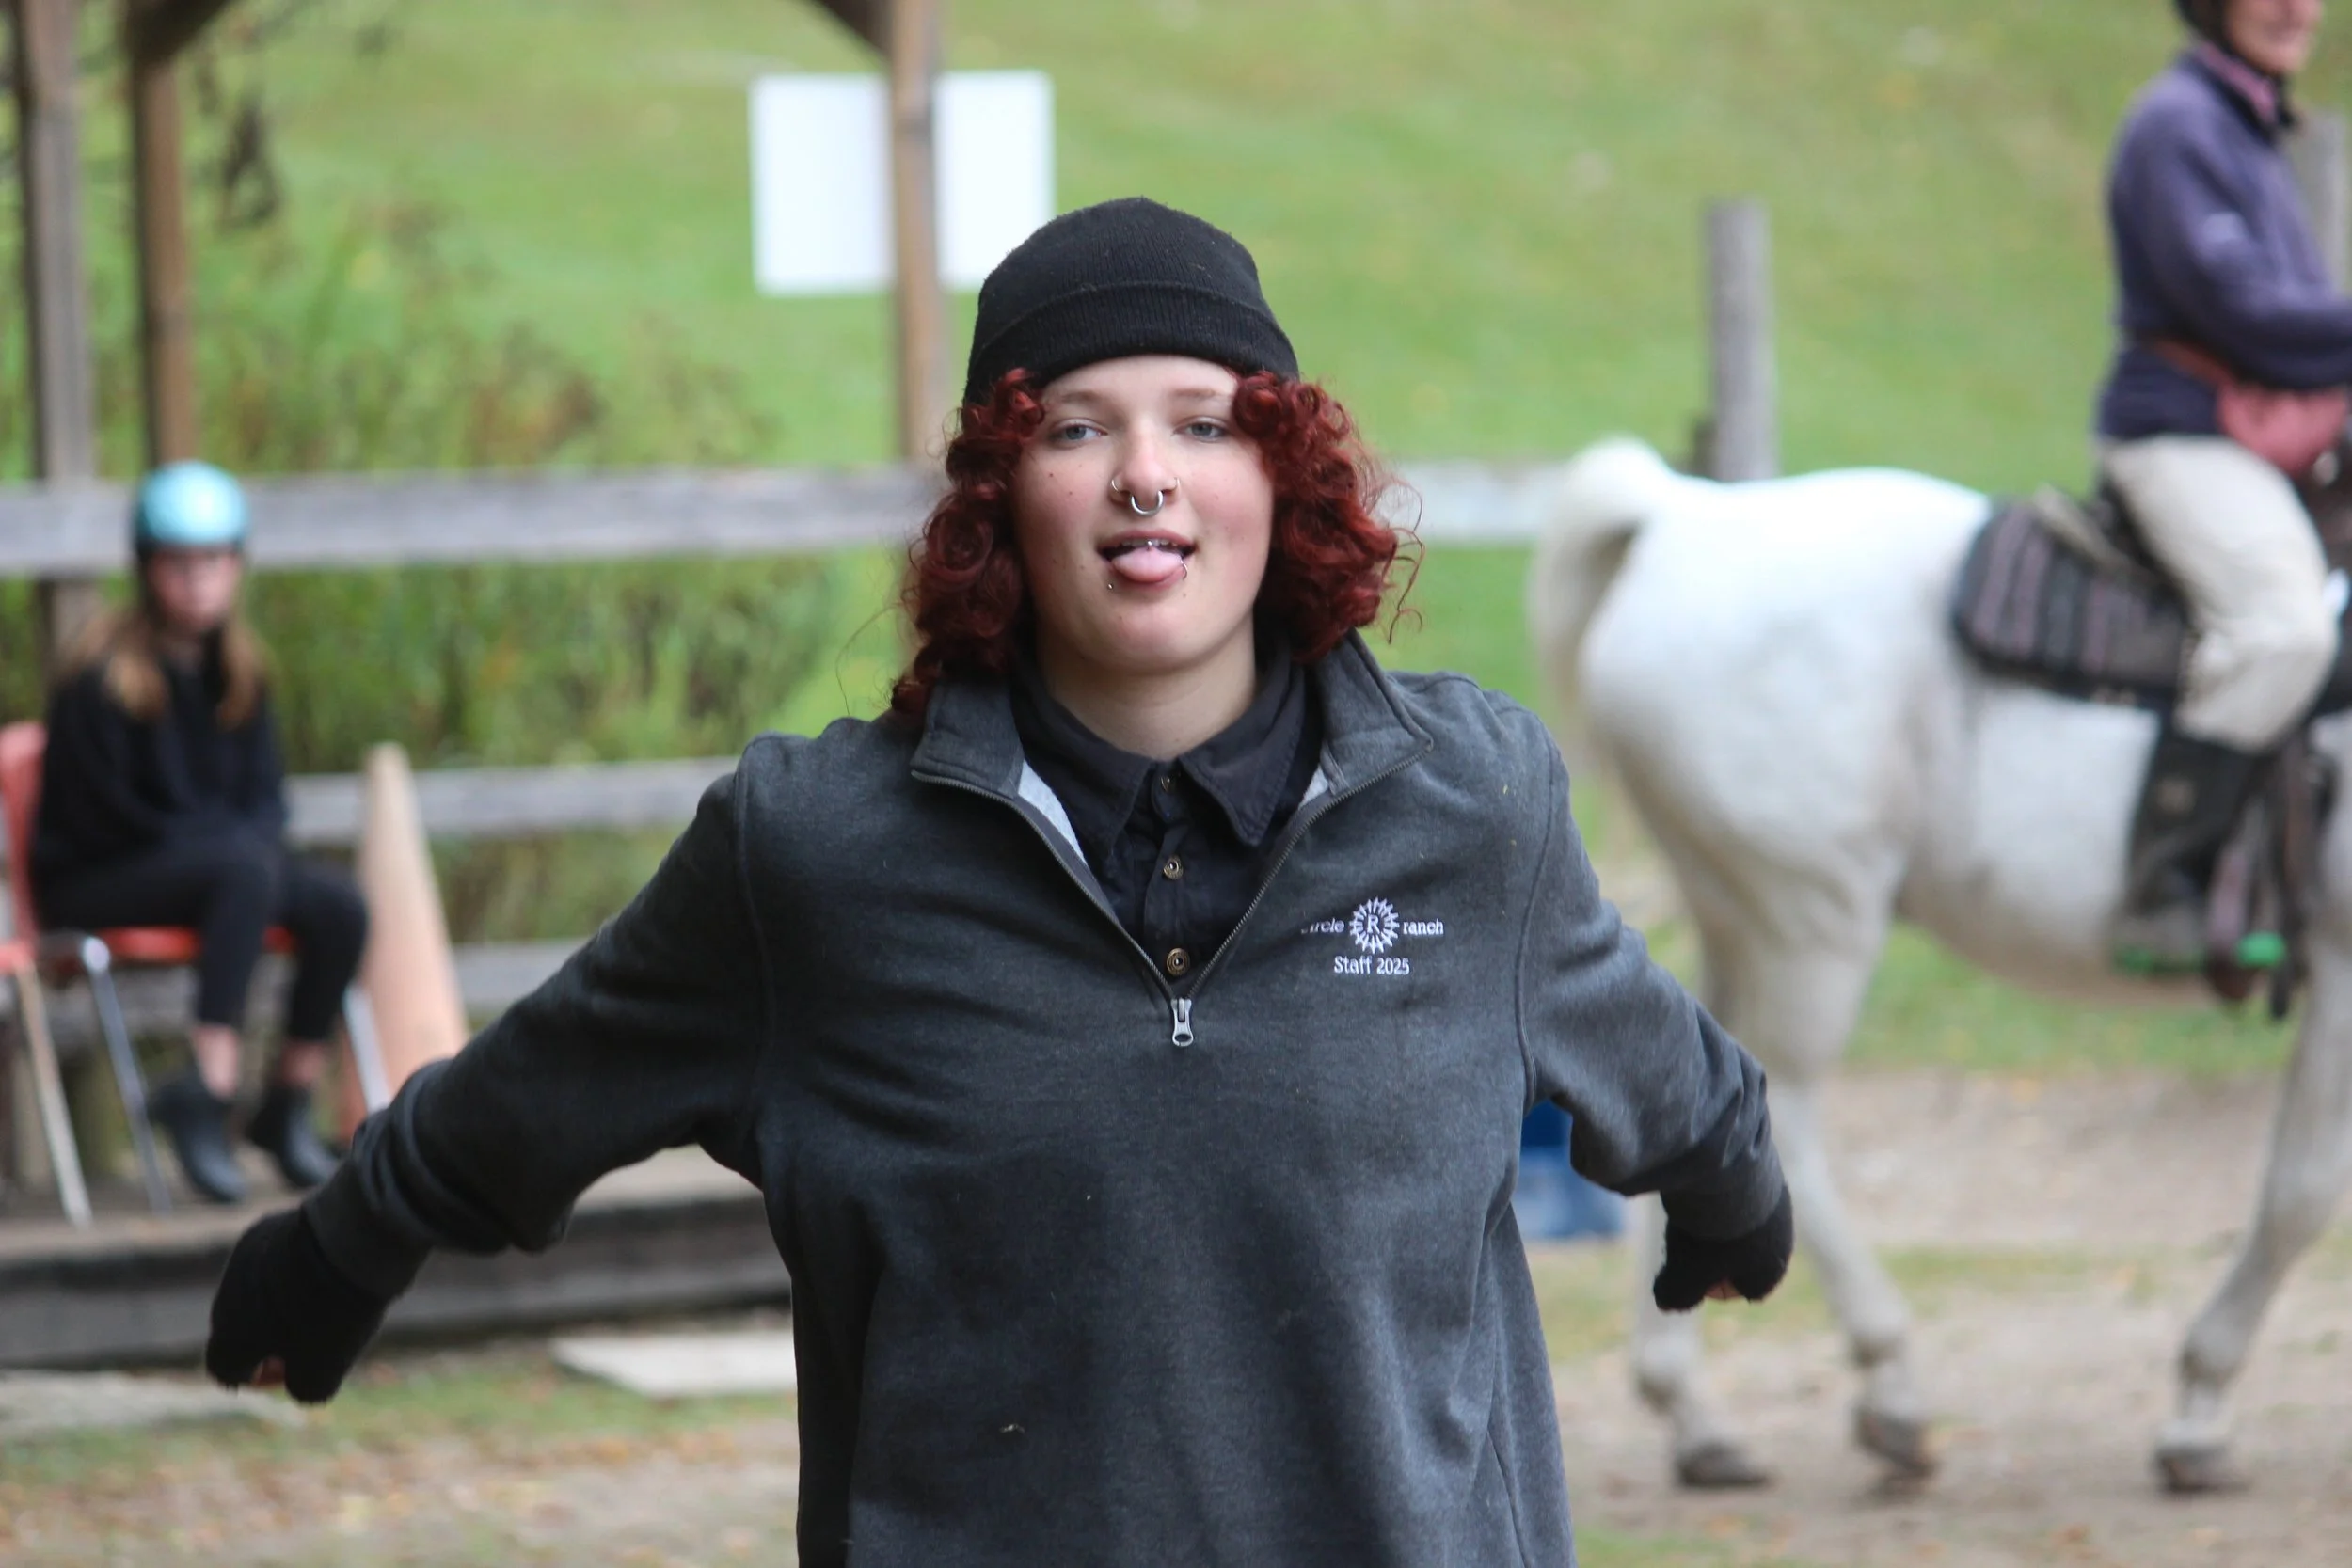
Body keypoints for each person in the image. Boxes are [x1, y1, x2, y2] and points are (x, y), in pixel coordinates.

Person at [202, 198, 1790, 1565]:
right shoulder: (816, 857)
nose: (1144, 475)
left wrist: (1734, 1196)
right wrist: (342, 1248)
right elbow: (532, 1088)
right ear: (996, 499)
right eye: (1076, 427)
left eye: (1205, 421)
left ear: (1284, 474)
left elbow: (1669, 1069)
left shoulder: (1468, 809)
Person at [32, 461, 367, 1205]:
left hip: (215, 870)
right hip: (98, 875)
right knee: (244, 868)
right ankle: (208, 1089)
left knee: (339, 902)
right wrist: (229, 847)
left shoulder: (242, 676)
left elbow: (266, 804)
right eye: (179, 563)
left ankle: (285, 1102)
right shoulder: (100, 674)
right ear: (147, 568)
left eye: (213, 561)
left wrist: (239, 848)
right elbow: (100, 817)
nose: (197, 580)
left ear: (236, 566)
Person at [2101, 0, 2352, 970]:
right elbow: (2243, 311)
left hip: (2256, 435)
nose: (2297, 8)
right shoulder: (2179, 124)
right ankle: (2160, 877)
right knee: (2282, 624)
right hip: (2184, 433)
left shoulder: (2243, 121)